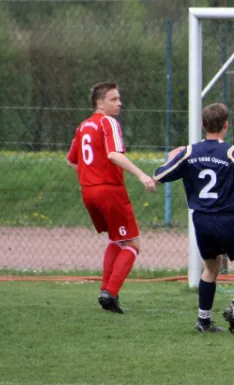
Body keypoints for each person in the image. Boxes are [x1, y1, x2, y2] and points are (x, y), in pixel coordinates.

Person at [153, 103, 234, 335]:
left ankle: (203, 320)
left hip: (202, 220)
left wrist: (171, 157)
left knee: (211, 267)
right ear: (226, 125)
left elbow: (158, 176)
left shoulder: (189, 152)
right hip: (228, 218)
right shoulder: (233, 152)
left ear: (203, 124)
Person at [66, 82, 156, 314]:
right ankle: (111, 292)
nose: (119, 103)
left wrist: (91, 174)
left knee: (117, 240)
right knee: (133, 244)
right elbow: (114, 154)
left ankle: (105, 290)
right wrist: (142, 175)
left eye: (119, 98)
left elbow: (71, 160)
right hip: (109, 191)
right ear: (100, 103)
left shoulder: (83, 126)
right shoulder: (108, 122)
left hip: (88, 192)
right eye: (114, 99)